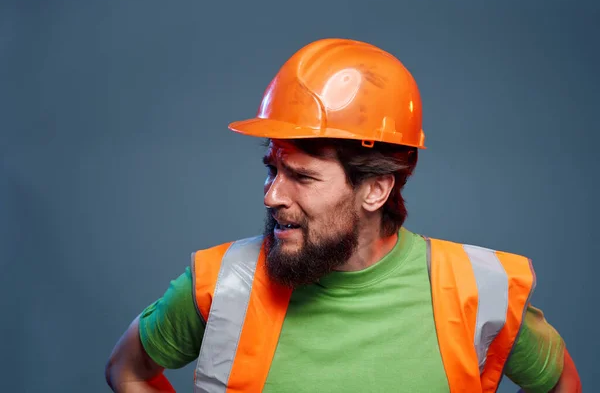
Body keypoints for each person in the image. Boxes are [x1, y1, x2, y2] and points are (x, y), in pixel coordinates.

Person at [105, 38, 581, 392]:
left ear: (375, 189)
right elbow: (126, 370)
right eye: (272, 169)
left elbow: (563, 382)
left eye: (303, 177)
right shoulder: (219, 283)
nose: (272, 196)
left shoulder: (482, 289)